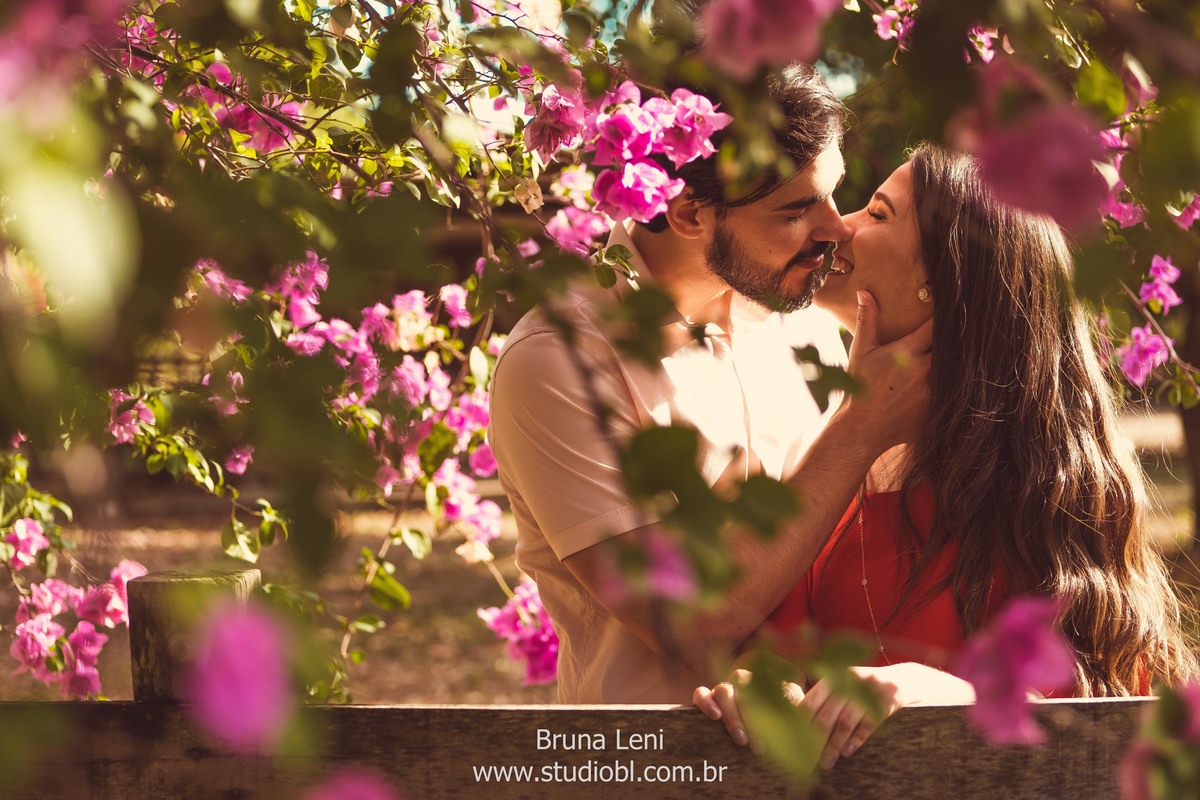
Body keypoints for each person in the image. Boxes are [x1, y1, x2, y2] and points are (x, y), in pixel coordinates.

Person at [694, 142, 1198, 767]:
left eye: (877, 214)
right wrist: (756, 683)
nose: (838, 227)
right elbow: (774, 647)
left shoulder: (1040, 486)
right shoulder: (839, 459)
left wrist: (948, 696)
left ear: (940, 277)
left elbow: (1110, 715)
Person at [488, 64, 932, 704]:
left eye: (833, 193)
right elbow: (691, 627)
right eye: (797, 210)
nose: (836, 229)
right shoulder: (560, 361)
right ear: (690, 213)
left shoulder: (799, 321)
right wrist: (858, 431)